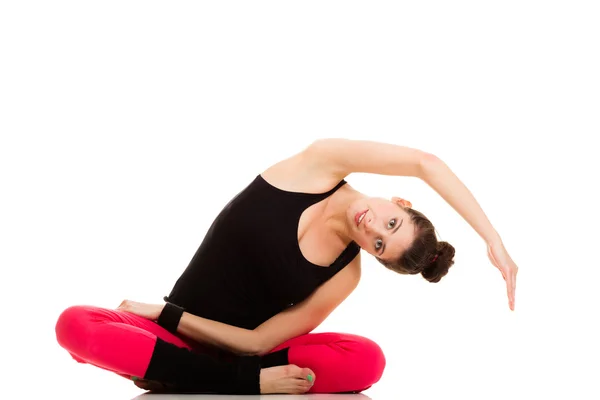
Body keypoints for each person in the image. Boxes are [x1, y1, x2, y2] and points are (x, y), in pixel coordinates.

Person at [55, 139, 518, 394]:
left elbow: (260, 340)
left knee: (367, 360)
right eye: (391, 221)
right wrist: (492, 239)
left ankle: (189, 378)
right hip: (176, 340)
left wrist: (241, 362)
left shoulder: (345, 273)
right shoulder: (319, 165)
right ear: (400, 199)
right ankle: (228, 383)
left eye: (379, 244)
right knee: (75, 326)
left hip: (244, 354)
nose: (373, 226)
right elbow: (425, 161)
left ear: (374, 256)